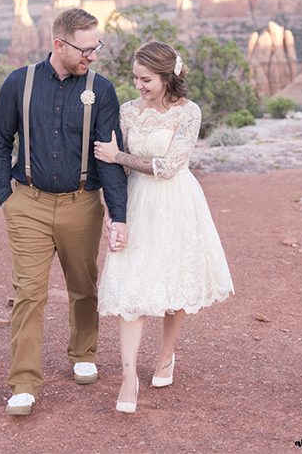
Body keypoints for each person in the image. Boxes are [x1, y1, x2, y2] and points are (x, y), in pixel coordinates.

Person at [0, 8, 128, 416]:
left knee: (83, 286)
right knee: (29, 293)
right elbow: (0, 141)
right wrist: (6, 197)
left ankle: (83, 351)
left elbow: (109, 157)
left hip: (80, 203)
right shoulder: (19, 82)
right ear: (59, 45)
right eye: (86, 49)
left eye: (96, 46)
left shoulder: (101, 91)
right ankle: (24, 383)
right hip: (27, 204)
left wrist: (117, 214)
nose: (93, 55)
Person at [93, 41, 234, 414]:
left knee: (175, 281)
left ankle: (167, 354)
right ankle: (127, 377)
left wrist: (118, 154)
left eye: (146, 79)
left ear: (167, 77)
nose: (138, 85)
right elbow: (116, 171)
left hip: (176, 201)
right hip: (137, 202)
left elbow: (169, 166)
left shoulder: (188, 113)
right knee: (130, 287)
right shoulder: (126, 112)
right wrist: (115, 211)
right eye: (135, 78)